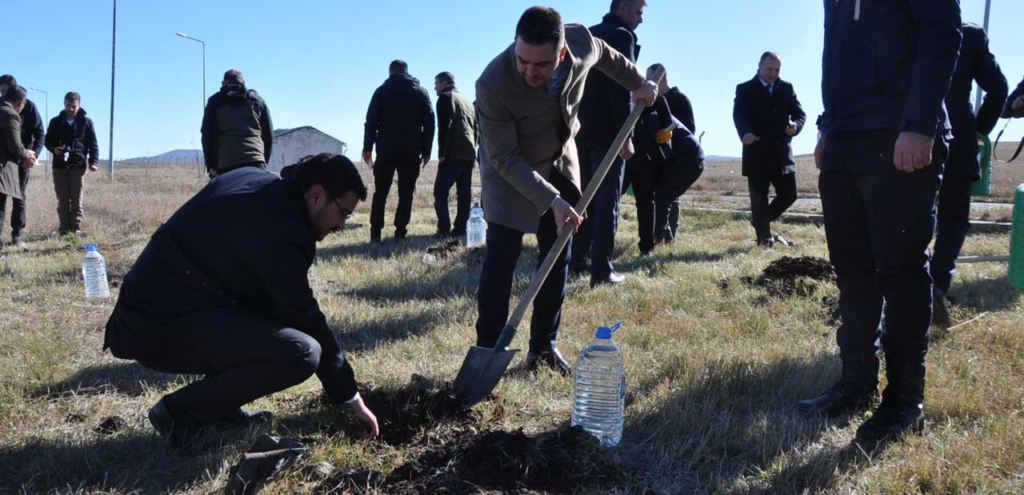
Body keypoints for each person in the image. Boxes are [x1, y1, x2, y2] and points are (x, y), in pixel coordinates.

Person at [103, 154, 379, 447]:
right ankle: (178, 412)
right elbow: (303, 315)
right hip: (154, 325)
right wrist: (349, 396)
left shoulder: (262, 186)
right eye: (343, 214)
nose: (341, 227)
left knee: (269, 320)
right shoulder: (281, 228)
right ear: (316, 195)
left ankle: (217, 408)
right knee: (302, 352)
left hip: (159, 308)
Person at [799, 0, 962, 446]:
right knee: (853, 271)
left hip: (898, 135)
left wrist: (919, 123)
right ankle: (855, 384)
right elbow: (839, 53)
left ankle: (906, 402)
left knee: (901, 270)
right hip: (845, 139)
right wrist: (827, 127)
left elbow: (941, 34)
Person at [475, 6, 657, 374]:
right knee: (501, 260)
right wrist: (551, 201)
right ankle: (487, 350)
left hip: (559, 160)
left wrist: (638, 82)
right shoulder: (492, 84)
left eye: (540, 64)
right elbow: (506, 158)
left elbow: (609, 56)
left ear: (561, 52)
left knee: (558, 252)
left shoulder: (581, 41)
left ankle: (543, 347)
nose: (529, 70)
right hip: (511, 172)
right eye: (522, 60)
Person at [931, 23, 1007, 328]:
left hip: (909, 133)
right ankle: (935, 286)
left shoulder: (907, 23)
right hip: (957, 138)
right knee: (953, 221)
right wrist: (978, 130)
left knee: (910, 218)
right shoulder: (971, 34)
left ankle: (907, 288)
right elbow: (999, 88)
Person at [571, 0, 646, 287]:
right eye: (638, 12)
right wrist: (625, 137)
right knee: (607, 204)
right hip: (608, 135)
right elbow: (620, 88)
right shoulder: (621, 36)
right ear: (623, 7)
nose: (640, 20)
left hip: (579, 131)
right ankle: (602, 271)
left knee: (583, 201)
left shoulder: (587, 34)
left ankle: (577, 259)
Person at [627, 66, 704, 256]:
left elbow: (678, 133)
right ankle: (662, 237)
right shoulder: (647, 105)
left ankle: (659, 238)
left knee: (662, 197)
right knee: (660, 197)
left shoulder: (665, 103)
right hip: (672, 159)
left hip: (686, 159)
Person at [732, 51, 805, 248]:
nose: (773, 73)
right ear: (760, 66)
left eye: (777, 70)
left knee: (790, 194)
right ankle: (764, 239)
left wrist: (796, 126)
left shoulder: (787, 88)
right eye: (769, 69)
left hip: (782, 154)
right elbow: (739, 115)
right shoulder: (745, 89)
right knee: (758, 198)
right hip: (756, 152)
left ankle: (760, 220)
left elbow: (799, 114)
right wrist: (745, 133)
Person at [362, 60, 435, 243]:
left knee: (380, 193)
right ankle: (400, 232)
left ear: (390, 72)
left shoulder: (381, 91)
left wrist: (367, 148)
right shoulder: (421, 92)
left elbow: (371, 122)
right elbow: (429, 124)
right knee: (406, 193)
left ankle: (375, 234)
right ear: (407, 72)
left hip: (386, 150)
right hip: (411, 151)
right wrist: (427, 151)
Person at [44, 92, 99, 236]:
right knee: (62, 200)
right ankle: (63, 229)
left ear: (79, 105)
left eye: (74, 106)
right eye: (68, 105)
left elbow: (93, 144)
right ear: (64, 104)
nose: (71, 109)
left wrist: (93, 161)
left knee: (76, 200)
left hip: (78, 165)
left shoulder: (86, 122)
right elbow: (47, 140)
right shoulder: (55, 122)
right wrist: (54, 149)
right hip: (59, 166)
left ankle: (75, 229)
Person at [200, 70, 273, 178]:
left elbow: (207, 134)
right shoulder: (258, 101)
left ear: (223, 83)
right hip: (256, 161)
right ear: (243, 83)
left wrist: (211, 164)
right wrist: (264, 160)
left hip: (227, 162)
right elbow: (268, 134)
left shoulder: (215, 102)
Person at [0, 76, 44, 248]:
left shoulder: (28, 106)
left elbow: (40, 133)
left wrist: (33, 157)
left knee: (19, 197)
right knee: (1, 199)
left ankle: (17, 235)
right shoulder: (5, 110)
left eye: (4, 91)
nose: (2, 95)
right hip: (8, 159)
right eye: (0, 91)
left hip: (23, 159)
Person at [432, 71, 478, 239]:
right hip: (469, 153)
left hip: (453, 153)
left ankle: (443, 228)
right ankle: (460, 229)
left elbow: (444, 127)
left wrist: (441, 154)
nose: (434, 87)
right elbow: (476, 128)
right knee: (464, 193)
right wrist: (474, 149)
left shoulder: (445, 98)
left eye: (436, 83)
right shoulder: (467, 101)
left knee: (440, 192)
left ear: (444, 83)